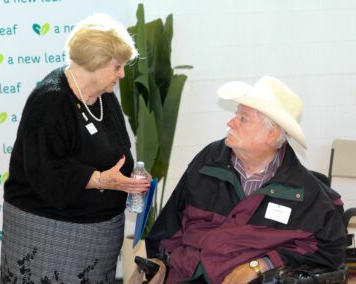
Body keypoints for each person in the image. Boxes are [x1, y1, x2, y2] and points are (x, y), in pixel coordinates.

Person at [144, 76, 347, 284]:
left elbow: (330, 252)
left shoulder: (305, 193)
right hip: (186, 273)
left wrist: (260, 265)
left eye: (243, 118)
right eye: (235, 115)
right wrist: (159, 263)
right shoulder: (208, 161)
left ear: (271, 134)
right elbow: (169, 226)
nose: (230, 122)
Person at [0, 13, 150, 283]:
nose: (122, 74)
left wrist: (130, 180)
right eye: (117, 66)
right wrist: (104, 180)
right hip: (50, 236)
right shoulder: (50, 101)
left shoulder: (105, 98)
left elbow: (118, 153)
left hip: (98, 239)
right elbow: (46, 172)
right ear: (96, 62)